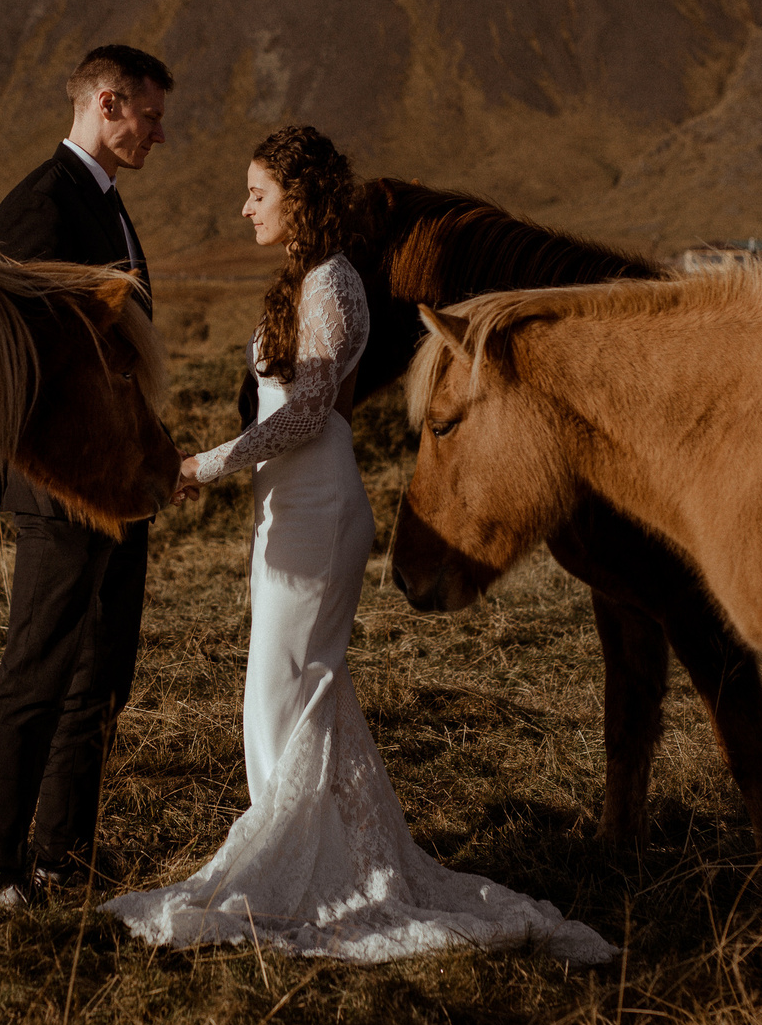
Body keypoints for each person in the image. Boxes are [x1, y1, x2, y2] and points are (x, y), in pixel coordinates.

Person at [104, 125, 614, 963]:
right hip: (290, 502)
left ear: (297, 200)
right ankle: (308, 859)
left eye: (258, 193)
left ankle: (298, 873)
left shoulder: (335, 281)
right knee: (295, 689)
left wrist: (210, 463)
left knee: (282, 686)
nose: (244, 207)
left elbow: (307, 412)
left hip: (317, 502)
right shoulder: (308, 278)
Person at [0, 43, 173, 907]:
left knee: (102, 672)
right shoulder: (36, 208)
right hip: (62, 484)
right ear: (106, 101)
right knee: (38, 669)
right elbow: (43, 354)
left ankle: (63, 853)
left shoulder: (107, 206)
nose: (159, 135)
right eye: (150, 116)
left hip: (119, 478)